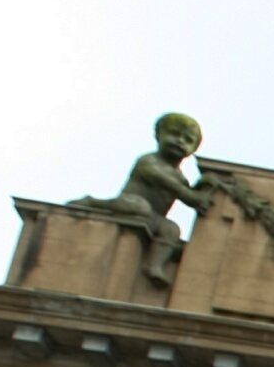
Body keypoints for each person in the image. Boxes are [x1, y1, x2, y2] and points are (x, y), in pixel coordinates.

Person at [69, 112, 212, 289]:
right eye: (174, 134)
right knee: (140, 207)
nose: (180, 141)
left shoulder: (181, 178)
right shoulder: (149, 161)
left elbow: (190, 198)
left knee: (171, 229)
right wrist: (192, 195)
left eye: (187, 139)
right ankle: (93, 202)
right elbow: (170, 185)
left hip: (154, 217)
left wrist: (205, 187)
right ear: (158, 135)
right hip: (131, 202)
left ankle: (154, 265)